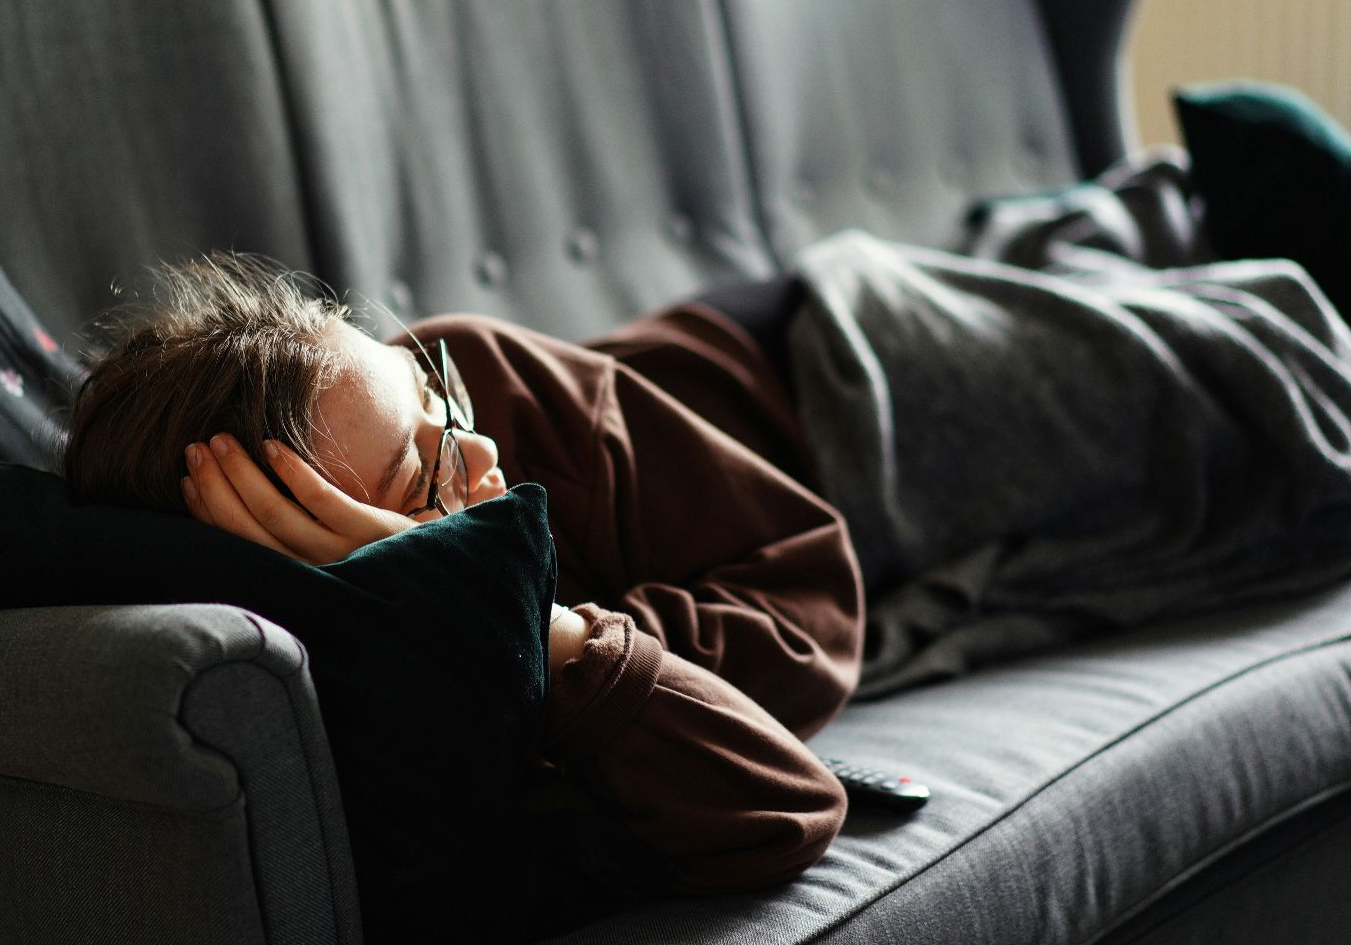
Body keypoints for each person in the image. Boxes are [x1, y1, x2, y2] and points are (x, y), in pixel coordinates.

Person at [62, 253, 864, 911]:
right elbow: (785, 805)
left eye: (430, 393)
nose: (478, 452)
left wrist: (572, 638)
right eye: (422, 476)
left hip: (823, 352)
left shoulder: (487, 374)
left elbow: (814, 603)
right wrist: (520, 617)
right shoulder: (399, 698)